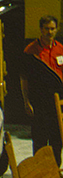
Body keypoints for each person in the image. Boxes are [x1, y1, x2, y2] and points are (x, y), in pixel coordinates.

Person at [21, 15, 63, 161]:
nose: (49, 32)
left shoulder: (61, 49)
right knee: (39, 140)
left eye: (52, 29)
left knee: (57, 140)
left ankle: (56, 173)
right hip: (38, 103)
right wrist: (26, 101)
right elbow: (24, 78)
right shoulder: (31, 50)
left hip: (57, 104)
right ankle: (41, 174)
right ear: (40, 29)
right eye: (46, 29)